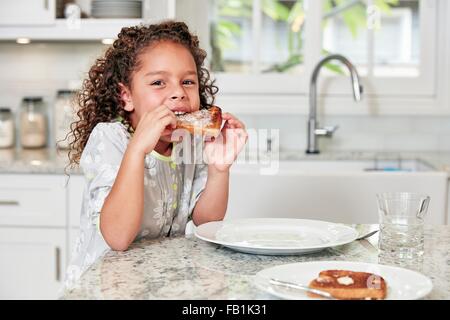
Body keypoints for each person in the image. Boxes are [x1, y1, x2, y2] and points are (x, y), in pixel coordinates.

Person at [62, 20, 247, 291]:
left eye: (188, 81)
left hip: (158, 282)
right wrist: (137, 150)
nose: (178, 93)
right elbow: (118, 238)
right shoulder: (111, 139)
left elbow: (207, 221)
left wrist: (220, 170)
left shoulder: (191, 142)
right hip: (105, 287)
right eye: (158, 82)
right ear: (126, 96)